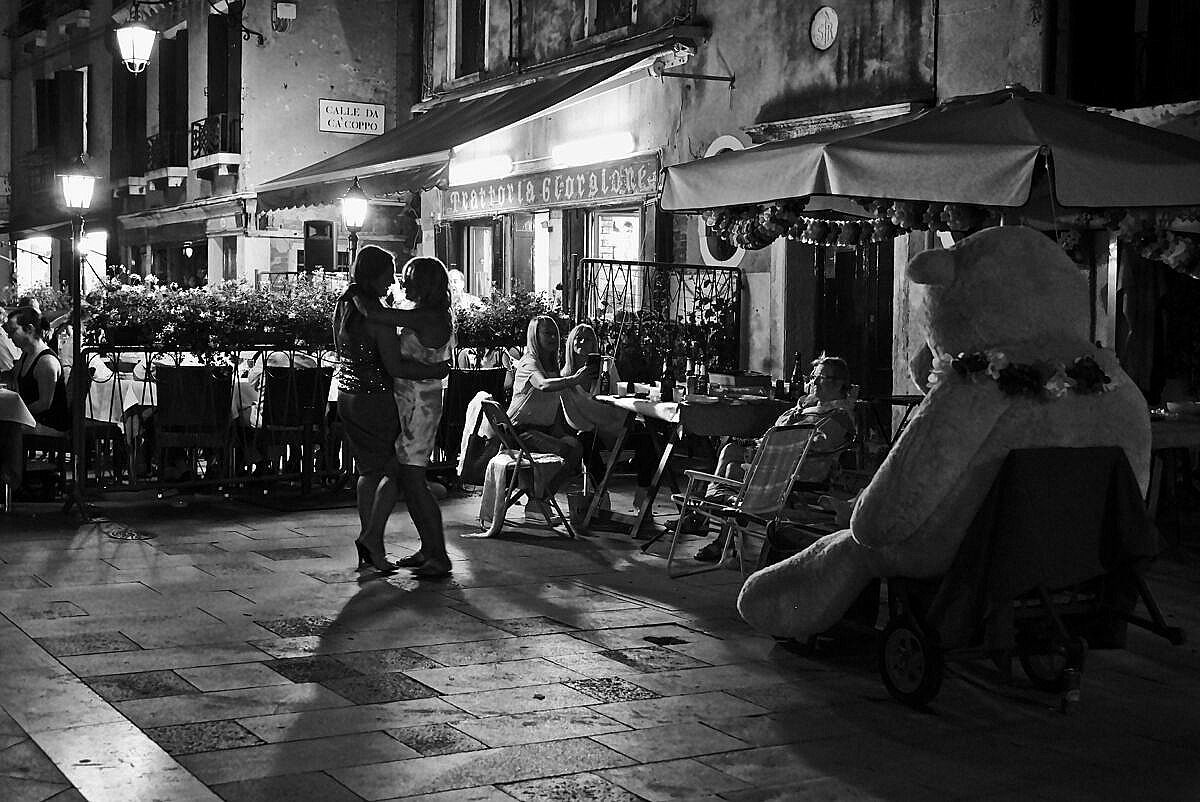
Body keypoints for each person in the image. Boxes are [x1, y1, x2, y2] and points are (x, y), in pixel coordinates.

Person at [333, 246, 449, 576]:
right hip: (383, 400)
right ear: (376, 275)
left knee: (380, 473)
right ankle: (378, 543)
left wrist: (356, 294)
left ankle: (384, 545)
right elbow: (394, 364)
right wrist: (434, 370)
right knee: (397, 475)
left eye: (409, 278)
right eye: (394, 274)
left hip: (360, 395)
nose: (397, 282)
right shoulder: (380, 309)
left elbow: (377, 326)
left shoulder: (346, 304)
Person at [693, 355, 856, 562]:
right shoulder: (805, 407)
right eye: (813, 376)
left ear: (839, 383)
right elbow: (776, 432)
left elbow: (812, 446)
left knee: (733, 470)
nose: (813, 382)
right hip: (777, 460)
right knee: (730, 449)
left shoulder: (838, 417)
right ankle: (714, 515)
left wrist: (768, 448)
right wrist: (758, 444)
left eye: (820, 377)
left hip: (797, 472)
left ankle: (711, 519)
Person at [561, 323, 657, 510]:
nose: (582, 342)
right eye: (578, 338)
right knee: (587, 441)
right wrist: (598, 428)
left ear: (594, 344)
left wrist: (608, 426)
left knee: (649, 438)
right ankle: (600, 495)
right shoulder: (566, 377)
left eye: (587, 339)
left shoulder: (607, 365)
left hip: (617, 425)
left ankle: (642, 495)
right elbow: (573, 418)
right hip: (592, 431)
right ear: (571, 343)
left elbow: (618, 401)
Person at [505, 316, 598, 494]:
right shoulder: (528, 363)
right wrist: (574, 379)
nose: (553, 338)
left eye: (555, 334)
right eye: (547, 333)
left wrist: (559, 432)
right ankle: (539, 499)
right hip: (520, 431)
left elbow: (552, 405)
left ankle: (541, 495)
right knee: (567, 451)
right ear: (535, 336)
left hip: (543, 431)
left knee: (578, 447)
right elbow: (543, 385)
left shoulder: (552, 366)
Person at [5, 307, 71, 435]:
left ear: (29, 329)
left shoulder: (46, 362)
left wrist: (15, 414)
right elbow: (10, 376)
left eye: (13, 331)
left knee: (5, 428)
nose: (8, 336)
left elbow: (44, 404)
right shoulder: (27, 354)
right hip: (34, 419)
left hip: (51, 426)